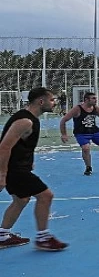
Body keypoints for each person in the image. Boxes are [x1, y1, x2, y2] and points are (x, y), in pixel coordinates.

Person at [0, 87, 68, 251]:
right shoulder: (26, 121)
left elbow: (20, 145)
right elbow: (4, 147)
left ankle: (2, 236)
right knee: (46, 196)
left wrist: (29, 161)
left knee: (21, 199)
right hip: (13, 169)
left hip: (18, 167)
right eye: (52, 100)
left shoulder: (30, 119)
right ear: (41, 101)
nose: (54, 103)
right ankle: (43, 238)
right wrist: (2, 174)